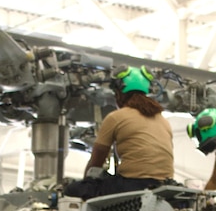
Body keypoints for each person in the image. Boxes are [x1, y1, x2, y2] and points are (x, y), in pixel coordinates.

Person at [65, 66, 174, 200]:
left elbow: (96, 162)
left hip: (133, 185)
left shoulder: (116, 117)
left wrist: (86, 184)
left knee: (73, 189)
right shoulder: (163, 120)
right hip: (164, 185)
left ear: (119, 93)